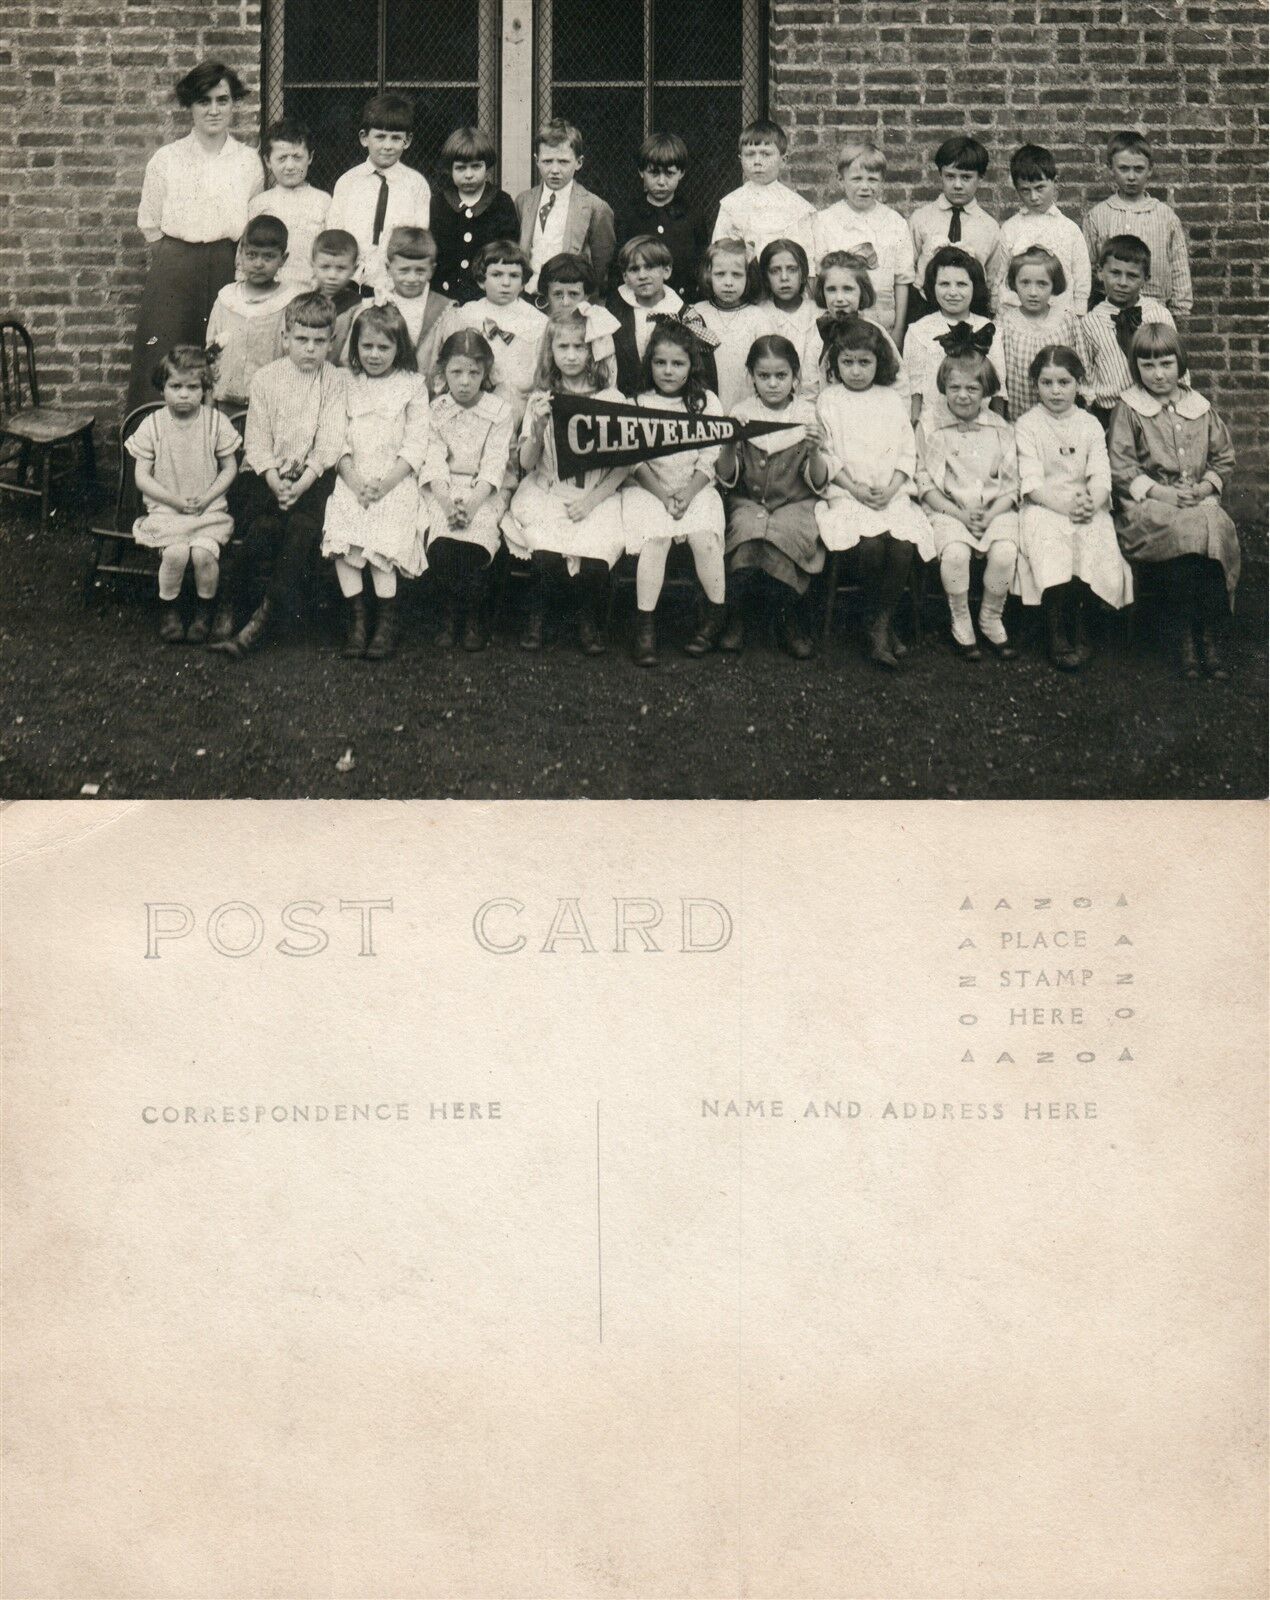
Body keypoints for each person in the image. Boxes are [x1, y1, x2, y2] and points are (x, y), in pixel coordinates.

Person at [211, 292, 346, 658]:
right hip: (265, 474)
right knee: (264, 527)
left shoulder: (335, 381)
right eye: (301, 339)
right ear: (285, 337)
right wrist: (275, 480)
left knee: (301, 529)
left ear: (331, 343)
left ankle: (261, 620)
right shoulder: (267, 379)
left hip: (313, 479)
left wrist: (301, 484)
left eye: (319, 342)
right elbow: (256, 442)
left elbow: (330, 443)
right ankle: (231, 605)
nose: (309, 349)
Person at [126, 60, 263, 410]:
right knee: (165, 361)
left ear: (234, 104)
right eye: (204, 101)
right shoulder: (167, 159)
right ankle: (153, 461)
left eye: (223, 100)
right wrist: (176, 263)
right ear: (190, 105)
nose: (214, 110)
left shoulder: (248, 161)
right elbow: (150, 223)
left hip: (226, 266)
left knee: (223, 361)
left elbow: (252, 223)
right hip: (174, 272)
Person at [1108, 324, 1239, 679]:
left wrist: (1205, 487)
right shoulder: (1130, 408)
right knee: (1187, 530)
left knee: (1214, 525)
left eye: (1166, 364)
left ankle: (1206, 633)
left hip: (1195, 499)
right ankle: (1184, 636)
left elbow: (1223, 457)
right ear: (1136, 368)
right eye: (1148, 366)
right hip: (1150, 505)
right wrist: (1165, 493)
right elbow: (1121, 468)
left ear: (1180, 363)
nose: (1158, 374)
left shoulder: (1199, 406)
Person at [503, 308, 629, 655]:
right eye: (563, 348)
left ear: (594, 350)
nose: (572, 355)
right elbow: (527, 464)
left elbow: (623, 466)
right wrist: (539, 428)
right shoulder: (542, 399)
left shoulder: (611, 399)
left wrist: (591, 500)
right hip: (549, 490)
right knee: (546, 556)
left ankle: (588, 620)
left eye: (580, 347)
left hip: (595, 494)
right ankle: (538, 616)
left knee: (594, 561)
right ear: (551, 351)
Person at [815, 315, 934, 668]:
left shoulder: (889, 400)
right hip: (848, 494)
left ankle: (880, 620)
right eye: (847, 362)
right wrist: (854, 488)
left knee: (901, 546)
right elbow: (827, 454)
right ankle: (876, 621)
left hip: (889, 491)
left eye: (864, 362)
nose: (856, 371)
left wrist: (894, 486)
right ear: (835, 365)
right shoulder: (829, 400)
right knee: (870, 545)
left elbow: (905, 450)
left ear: (878, 362)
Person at [320, 304, 430, 661]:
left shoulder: (413, 386)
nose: (374, 355)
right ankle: (358, 621)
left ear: (399, 348)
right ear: (355, 347)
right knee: (346, 538)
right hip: (353, 476)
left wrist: (384, 484)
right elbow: (337, 438)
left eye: (384, 347)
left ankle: (387, 621)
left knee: (383, 542)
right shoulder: (346, 382)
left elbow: (416, 443)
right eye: (366, 346)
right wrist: (353, 479)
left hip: (395, 479)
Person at [1016, 344, 1132, 670]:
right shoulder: (1028, 424)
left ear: (1077, 383)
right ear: (1035, 385)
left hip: (1085, 502)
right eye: (1047, 383)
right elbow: (1031, 482)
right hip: (1045, 503)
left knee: (1095, 534)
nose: (1055, 391)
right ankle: (1055, 629)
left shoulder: (1090, 424)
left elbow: (1100, 476)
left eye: (1064, 382)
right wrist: (1065, 507)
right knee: (1050, 537)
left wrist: (1091, 503)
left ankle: (1083, 623)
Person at [620, 320, 729, 664]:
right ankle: (645, 626)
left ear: (691, 365)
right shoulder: (636, 402)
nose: (668, 371)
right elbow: (633, 459)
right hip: (647, 488)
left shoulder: (705, 402)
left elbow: (712, 453)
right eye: (660, 363)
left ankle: (713, 618)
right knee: (657, 540)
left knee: (704, 539)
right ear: (649, 363)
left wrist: (689, 491)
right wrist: (664, 496)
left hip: (696, 487)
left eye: (678, 364)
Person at [715, 335, 830, 658]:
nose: (773, 384)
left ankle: (788, 618)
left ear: (795, 376)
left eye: (781, 376)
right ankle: (736, 617)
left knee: (787, 534)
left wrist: (815, 451)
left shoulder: (806, 414)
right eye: (763, 376)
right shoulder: (742, 412)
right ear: (751, 376)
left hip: (795, 502)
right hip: (749, 500)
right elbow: (727, 476)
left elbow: (818, 481)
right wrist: (728, 441)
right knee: (748, 531)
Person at [126, 346, 240, 644]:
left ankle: (204, 611)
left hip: (207, 510)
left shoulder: (216, 423)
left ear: (204, 389)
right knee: (175, 554)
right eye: (175, 386)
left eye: (193, 387)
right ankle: (169, 608)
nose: (184, 394)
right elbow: (141, 476)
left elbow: (230, 468)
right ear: (162, 387)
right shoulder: (152, 425)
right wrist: (173, 500)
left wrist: (208, 496)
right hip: (168, 510)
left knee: (203, 555)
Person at [916, 351, 1020, 660]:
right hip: (948, 508)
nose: (963, 396)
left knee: (1005, 551)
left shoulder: (1000, 428)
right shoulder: (931, 426)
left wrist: (991, 513)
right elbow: (925, 481)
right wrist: (959, 513)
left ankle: (990, 616)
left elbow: (1012, 483)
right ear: (944, 387)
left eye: (972, 389)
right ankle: (960, 616)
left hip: (993, 508)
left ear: (986, 391)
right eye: (955, 388)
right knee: (956, 553)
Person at [419, 330, 514, 652]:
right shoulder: (436, 410)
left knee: (476, 538)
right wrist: (447, 504)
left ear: (485, 373)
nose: (464, 381)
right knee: (442, 540)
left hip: (483, 490)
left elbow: (494, 463)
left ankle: (473, 615)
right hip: (442, 489)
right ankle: (449, 614)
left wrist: (471, 505)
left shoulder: (499, 411)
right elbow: (432, 460)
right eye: (456, 372)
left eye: (474, 373)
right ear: (443, 372)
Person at [326, 92, 430, 293]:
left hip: (396, 284)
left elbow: (418, 238)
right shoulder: (348, 182)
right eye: (380, 137)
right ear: (364, 138)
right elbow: (335, 234)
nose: (388, 146)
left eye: (396, 138)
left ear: (407, 141)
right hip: (351, 283)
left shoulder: (416, 184)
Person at [1082, 131, 1192, 317]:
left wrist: (1180, 310)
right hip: (1109, 312)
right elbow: (1086, 268)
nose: (1131, 177)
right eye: (1124, 168)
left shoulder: (1165, 216)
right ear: (1111, 168)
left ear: (1150, 169)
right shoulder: (1098, 216)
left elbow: (1179, 267)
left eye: (1138, 169)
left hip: (1155, 310)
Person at [811, 141, 914, 339]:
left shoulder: (895, 222)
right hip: (838, 318)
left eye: (872, 179)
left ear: (882, 181)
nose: (865, 187)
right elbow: (818, 277)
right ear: (841, 180)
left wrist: (899, 329)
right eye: (856, 179)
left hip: (882, 319)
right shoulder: (825, 221)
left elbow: (902, 279)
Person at [446, 240, 547, 425]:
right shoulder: (467, 314)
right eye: (497, 275)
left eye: (514, 276)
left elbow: (542, 374)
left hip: (520, 406)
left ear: (524, 282)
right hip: (474, 403)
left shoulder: (538, 321)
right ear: (481, 280)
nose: (506, 283)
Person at [904, 246, 1005, 428]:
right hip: (934, 424)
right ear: (932, 286)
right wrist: (915, 427)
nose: (952, 292)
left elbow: (998, 391)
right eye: (944, 284)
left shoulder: (988, 329)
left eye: (961, 284)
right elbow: (915, 390)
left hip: (980, 423)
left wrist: (998, 428)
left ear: (975, 287)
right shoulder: (918, 331)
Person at [1079, 235, 1175, 427]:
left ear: (1145, 279)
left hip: (1156, 410)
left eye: (1132, 276)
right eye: (1115, 273)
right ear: (1100, 272)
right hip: (1109, 413)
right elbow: (1085, 374)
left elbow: (1177, 365)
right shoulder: (1090, 323)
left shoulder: (1159, 315)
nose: (1122, 282)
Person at [335, 227, 453, 380]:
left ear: (432, 269)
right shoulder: (373, 304)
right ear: (388, 268)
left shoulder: (444, 311)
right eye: (404, 270)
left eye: (420, 271)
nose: (411, 278)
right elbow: (349, 358)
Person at [907, 135, 1003, 322]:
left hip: (971, 311)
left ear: (980, 177)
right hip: (924, 308)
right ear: (940, 174)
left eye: (966, 177)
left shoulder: (989, 227)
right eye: (950, 176)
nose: (957, 185)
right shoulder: (921, 219)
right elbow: (907, 270)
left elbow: (993, 280)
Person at [516, 119, 616, 293]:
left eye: (563, 162)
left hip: (569, 301)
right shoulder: (524, 201)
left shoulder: (595, 207)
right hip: (528, 298)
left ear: (579, 162)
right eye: (547, 161)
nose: (555, 170)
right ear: (536, 160)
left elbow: (601, 269)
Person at [204, 213, 292, 410]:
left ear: (283, 259)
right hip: (225, 398)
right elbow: (210, 351)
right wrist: (209, 404)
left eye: (268, 256)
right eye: (251, 255)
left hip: (269, 404)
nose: (259, 264)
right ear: (240, 254)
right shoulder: (227, 299)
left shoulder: (287, 302)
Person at [993, 143, 1091, 315]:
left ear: (1054, 181)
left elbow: (1081, 276)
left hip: (1060, 315)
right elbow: (1000, 274)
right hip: (1017, 314)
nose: (1033, 197)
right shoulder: (1011, 228)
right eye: (1025, 190)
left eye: (1040, 188)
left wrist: (1079, 313)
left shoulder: (1069, 229)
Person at [613, 132, 709, 302]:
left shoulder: (692, 216)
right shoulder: (629, 216)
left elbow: (701, 264)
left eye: (669, 173)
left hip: (683, 302)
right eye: (654, 173)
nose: (661, 181)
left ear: (681, 173)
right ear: (641, 172)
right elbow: (618, 266)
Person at [429, 126, 518, 305]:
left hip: (487, 299)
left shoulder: (501, 202)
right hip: (445, 297)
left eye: (476, 167)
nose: (469, 175)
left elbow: (509, 252)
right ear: (450, 169)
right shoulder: (439, 203)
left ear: (487, 167)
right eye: (461, 168)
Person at [712, 117, 816, 268]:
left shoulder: (798, 207)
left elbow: (808, 261)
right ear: (740, 159)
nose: (757, 161)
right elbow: (719, 253)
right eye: (750, 154)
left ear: (783, 159)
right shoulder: (731, 204)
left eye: (766, 154)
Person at [246, 118, 330, 292]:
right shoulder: (259, 204)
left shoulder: (323, 201)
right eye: (282, 158)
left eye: (297, 157)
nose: (290, 166)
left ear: (310, 157)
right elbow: (245, 254)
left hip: (310, 292)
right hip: (268, 292)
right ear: (268, 161)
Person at [999, 246, 1081, 421]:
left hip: (1062, 415)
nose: (1033, 292)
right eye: (1025, 283)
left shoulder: (1066, 319)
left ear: (1054, 285)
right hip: (1020, 415)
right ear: (1014, 283)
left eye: (1042, 284)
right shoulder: (1005, 324)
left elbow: (1081, 366)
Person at [812, 253, 908, 399]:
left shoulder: (874, 331)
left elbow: (899, 384)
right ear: (822, 292)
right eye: (831, 289)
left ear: (862, 291)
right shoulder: (818, 332)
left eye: (848, 289)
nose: (839, 298)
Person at [689, 238, 767, 411]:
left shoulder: (758, 317)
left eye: (737, 274)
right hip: (705, 409)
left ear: (748, 276)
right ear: (708, 274)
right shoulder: (695, 313)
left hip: (748, 409)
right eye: (720, 274)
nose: (728, 282)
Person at [605, 235, 684, 396]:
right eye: (634, 269)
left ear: (666, 271)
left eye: (649, 267)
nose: (642, 276)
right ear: (625, 277)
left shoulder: (683, 314)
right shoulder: (614, 311)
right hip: (625, 402)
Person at [755, 239, 822, 398]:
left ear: (803, 273)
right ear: (765, 277)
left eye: (792, 269)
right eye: (775, 270)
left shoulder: (818, 315)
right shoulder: (759, 314)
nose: (784, 277)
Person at [310, 229, 363, 321]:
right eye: (325, 267)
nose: (332, 276)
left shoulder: (357, 306)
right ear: (313, 265)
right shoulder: (306, 302)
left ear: (354, 270)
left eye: (341, 268)